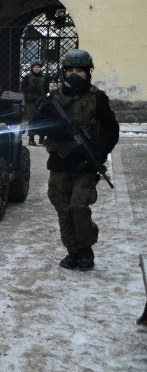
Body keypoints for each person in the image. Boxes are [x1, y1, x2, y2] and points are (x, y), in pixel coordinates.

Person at [32, 49, 119, 272]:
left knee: (79, 207)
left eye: (79, 70)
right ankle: (72, 251)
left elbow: (111, 129)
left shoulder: (96, 97)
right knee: (63, 208)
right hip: (61, 163)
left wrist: (99, 152)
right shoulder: (53, 97)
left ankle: (86, 249)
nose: (74, 73)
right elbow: (37, 123)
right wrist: (58, 128)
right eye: (70, 69)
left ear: (87, 72)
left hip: (86, 165)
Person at [21, 62, 49, 146]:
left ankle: (42, 138)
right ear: (32, 68)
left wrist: (46, 98)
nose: (36, 69)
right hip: (31, 102)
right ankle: (31, 139)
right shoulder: (27, 77)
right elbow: (23, 88)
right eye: (35, 67)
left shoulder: (44, 77)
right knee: (32, 120)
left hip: (41, 102)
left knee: (42, 120)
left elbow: (47, 90)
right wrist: (30, 88)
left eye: (38, 67)